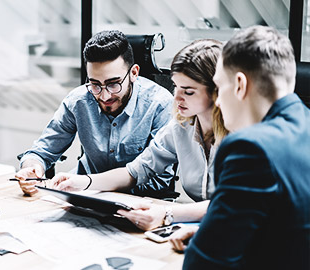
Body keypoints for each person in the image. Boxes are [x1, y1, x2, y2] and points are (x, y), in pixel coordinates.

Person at [170, 26, 310, 269]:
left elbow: (205, 264)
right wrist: (213, 231)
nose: (219, 101)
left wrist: (212, 242)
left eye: (218, 87)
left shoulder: (249, 148)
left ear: (239, 85)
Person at [50, 39, 228, 231]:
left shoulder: (241, 135)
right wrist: (82, 182)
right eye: (175, 86)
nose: (176, 98)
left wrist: (167, 214)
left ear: (217, 91)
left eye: (188, 91)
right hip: (206, 226)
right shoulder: (181, 127)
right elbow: (135, 171)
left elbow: (235, 203)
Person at [16, 30, 174, 196]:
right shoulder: (78, 101)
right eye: (95, 84)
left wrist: (91, 185)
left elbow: (160, 181)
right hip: (82, 195)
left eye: (113, 84)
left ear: (134, 73)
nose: (104, 96)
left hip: (138, 203)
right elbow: (41, 152)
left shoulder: (159, 105)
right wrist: (32, 169)